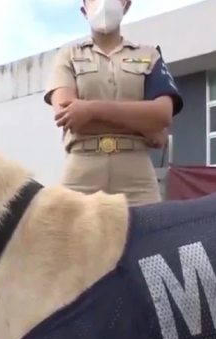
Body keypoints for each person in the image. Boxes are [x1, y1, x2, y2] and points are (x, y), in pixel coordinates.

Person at [44, 0, 184, 206]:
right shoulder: (68, 56)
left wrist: (91, 109)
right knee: (69, 235)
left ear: (126, 6)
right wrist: (144, 125)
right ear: (84, 11)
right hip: (81, 172)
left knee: (147, 235)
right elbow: (69, 117)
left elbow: (162, 115)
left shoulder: (149, 56)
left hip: (137, 177)